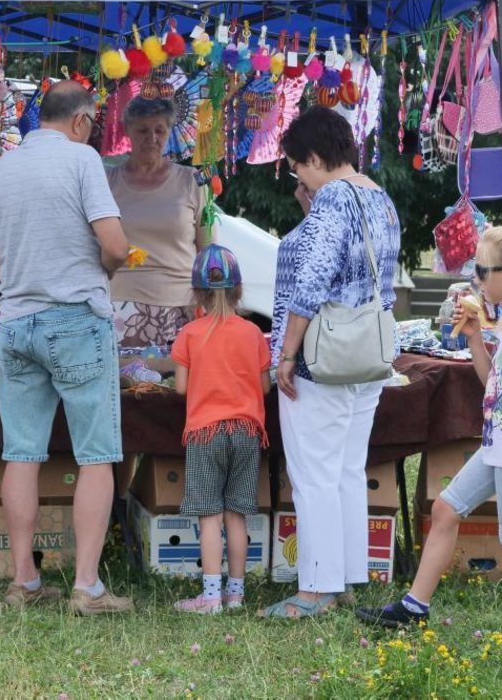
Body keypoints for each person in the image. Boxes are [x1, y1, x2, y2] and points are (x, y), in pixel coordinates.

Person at [358, 226, 502, 646]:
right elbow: (492, 381)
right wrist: (478, 337)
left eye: (482, 270)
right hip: (500, 446)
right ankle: (413, 608)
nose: (477, 279)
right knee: (445, 510)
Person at [0, 79, 132, 616]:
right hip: (75, 317)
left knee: (21, 453)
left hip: (16, 323)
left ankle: (24, 579)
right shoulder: (83, 160)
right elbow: (115, 244)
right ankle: (86, 587)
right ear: (82, 121)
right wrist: (106, 267)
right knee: (96, 455)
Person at [261, 105, 401, 618]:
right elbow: (355, 267)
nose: (297, 174)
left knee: (314, 472)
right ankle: (343, 579)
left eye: (298, 165)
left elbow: (313, 280)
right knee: (344, 470)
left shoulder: (333, 200)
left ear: (316, 157)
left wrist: (287, 354)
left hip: (322, 356)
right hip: (366, 355)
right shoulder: (376, 196)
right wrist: (309, 212)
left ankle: (315, 590)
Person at [171, 245, 271, 614]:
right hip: (247, 432)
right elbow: (264, 388)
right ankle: (236, 594)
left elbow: (180, 388)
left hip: (204, 433)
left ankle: (210, 597)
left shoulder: (190, 334)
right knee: (236, 514)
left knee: (210, 516)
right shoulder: (253, 334)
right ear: (239, 290)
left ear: (197, 293)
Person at [107, 96, 204, 348]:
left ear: (169, 132)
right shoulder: (107, 182)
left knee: (178, 385)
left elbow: (207, 250)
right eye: (142, 130)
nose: (151, 137)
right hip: (120, 304)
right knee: (127, 384)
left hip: (182, 305)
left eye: (159, 130)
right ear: (128, 130)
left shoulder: (191, 180)